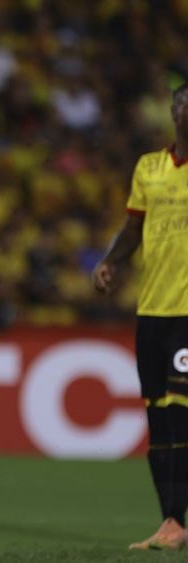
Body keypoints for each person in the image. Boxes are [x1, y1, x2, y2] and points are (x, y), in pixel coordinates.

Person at [92, 83, 188, 551]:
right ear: (172, 111)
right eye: (182, 102)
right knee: (158, 416)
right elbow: (134, 227)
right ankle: (171, 522)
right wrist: (112, 260)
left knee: (181, 411)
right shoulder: (149, 167)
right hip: (153, 309)